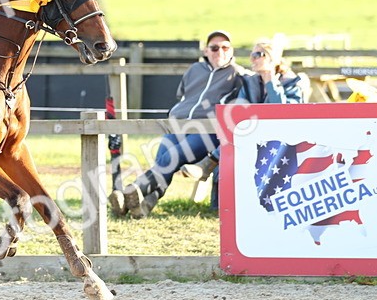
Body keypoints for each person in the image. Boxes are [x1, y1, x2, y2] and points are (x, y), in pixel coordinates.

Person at [109, 30, 244, 219]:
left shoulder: (238, 75)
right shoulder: (194, 70)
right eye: (214, 47)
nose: (219, 51)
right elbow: (182, 95)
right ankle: (144, 206)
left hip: (207, 131)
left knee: (169, 158)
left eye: (225, 47)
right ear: (206, 51)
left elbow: (250, 93)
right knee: (162, 160)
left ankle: (131, 191)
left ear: (231, 51)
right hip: (178, 125)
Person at [181, 37, 309, 209]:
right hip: (251, 136)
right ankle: (220, 205)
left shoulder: (292, 83)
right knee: (234, 137)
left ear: (272, 58)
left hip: (282, 139)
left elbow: (285, 115)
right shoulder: (250, 83)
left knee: (239, 138)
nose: (253, 59)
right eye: (252, 55)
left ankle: (208, 163)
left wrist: (271, 83)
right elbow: (240, 113)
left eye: (258, 54)